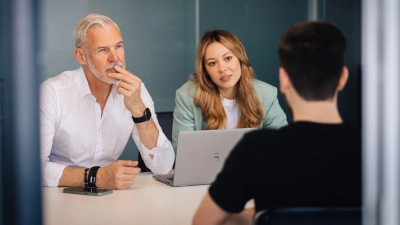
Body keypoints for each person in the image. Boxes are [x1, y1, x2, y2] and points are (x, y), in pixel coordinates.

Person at [192, 21, 361, 224]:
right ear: (343, 78)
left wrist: (250, 217)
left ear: (284, 80)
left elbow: (203, 222)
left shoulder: (256, 149)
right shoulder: (381, 153)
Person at [40, 14, 175, 190]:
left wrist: (139, 110)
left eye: (118, 46)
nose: (115, 58)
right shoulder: (53, 92)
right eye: (103, 50)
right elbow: (29, 169)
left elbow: (163, 166)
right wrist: (95, 177)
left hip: (110, 198)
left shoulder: (135, 90)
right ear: (81, 56)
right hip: (57, 197)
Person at [172, 30, 287, 150]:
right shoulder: (187, 96)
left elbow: (283, 143)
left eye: (228, 58)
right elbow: (182, 152)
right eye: (212, 63)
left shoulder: (265, 94)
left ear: (240, 57)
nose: (222, 68)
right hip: (207, 168)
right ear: (205, 70)